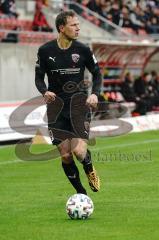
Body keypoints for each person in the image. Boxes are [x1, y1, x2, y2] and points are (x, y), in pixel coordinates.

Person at [35, 10, 102, 195]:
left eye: (79, 24)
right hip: (56, 108)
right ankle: (82, 194)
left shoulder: (83, 50)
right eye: (74, 25)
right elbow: (39, 78)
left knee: (79, 152)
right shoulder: (45, 51)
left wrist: (95, 94)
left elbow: (97, 73)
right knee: (65, 155)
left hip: (79, 105)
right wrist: (44, 91)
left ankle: (89, 167)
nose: (78, 28)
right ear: (61, 28)